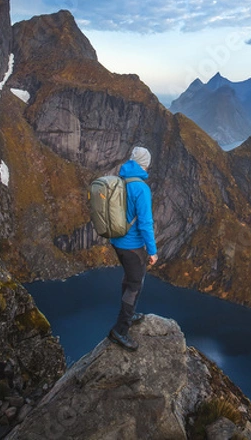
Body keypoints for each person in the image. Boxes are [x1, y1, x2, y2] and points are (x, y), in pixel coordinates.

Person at [108, 146, 158, 351]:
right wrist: (152, 251)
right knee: (135, 285)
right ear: (144, 164)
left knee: (128, 280)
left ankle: (130, 314)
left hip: (117, 242)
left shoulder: (120, 180)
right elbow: (146, 223)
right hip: (133, 247)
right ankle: (120, 330)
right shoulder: (141, 188)